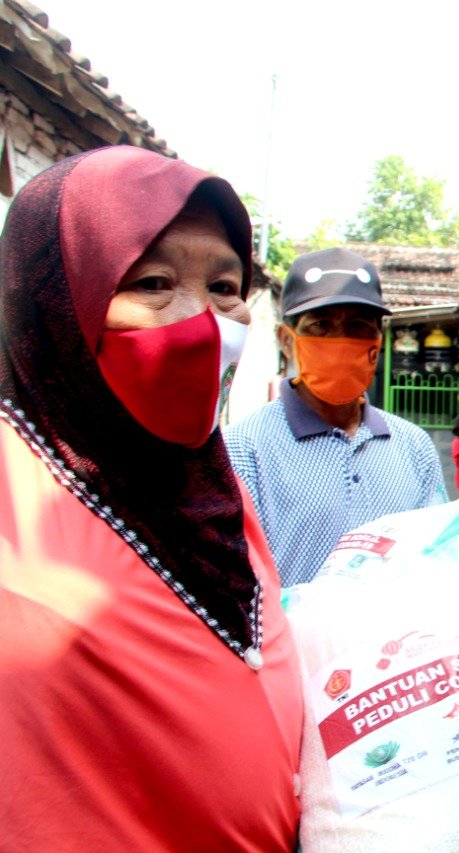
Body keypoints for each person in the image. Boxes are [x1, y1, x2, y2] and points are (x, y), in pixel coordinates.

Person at [0, 147, 301, 848]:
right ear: (54, 302)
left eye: (226, 287)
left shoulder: (217, 495)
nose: (201, 322)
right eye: (153, 281)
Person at [224, 248, 446, 586]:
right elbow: (231, 578)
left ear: (377, 341)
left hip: (396, 637)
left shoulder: (414, 446)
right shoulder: (244, 448)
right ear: (287, 340)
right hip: (289, 639)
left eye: (358, 327)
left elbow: (439, 555)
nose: (340, 341)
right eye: (321, 326)